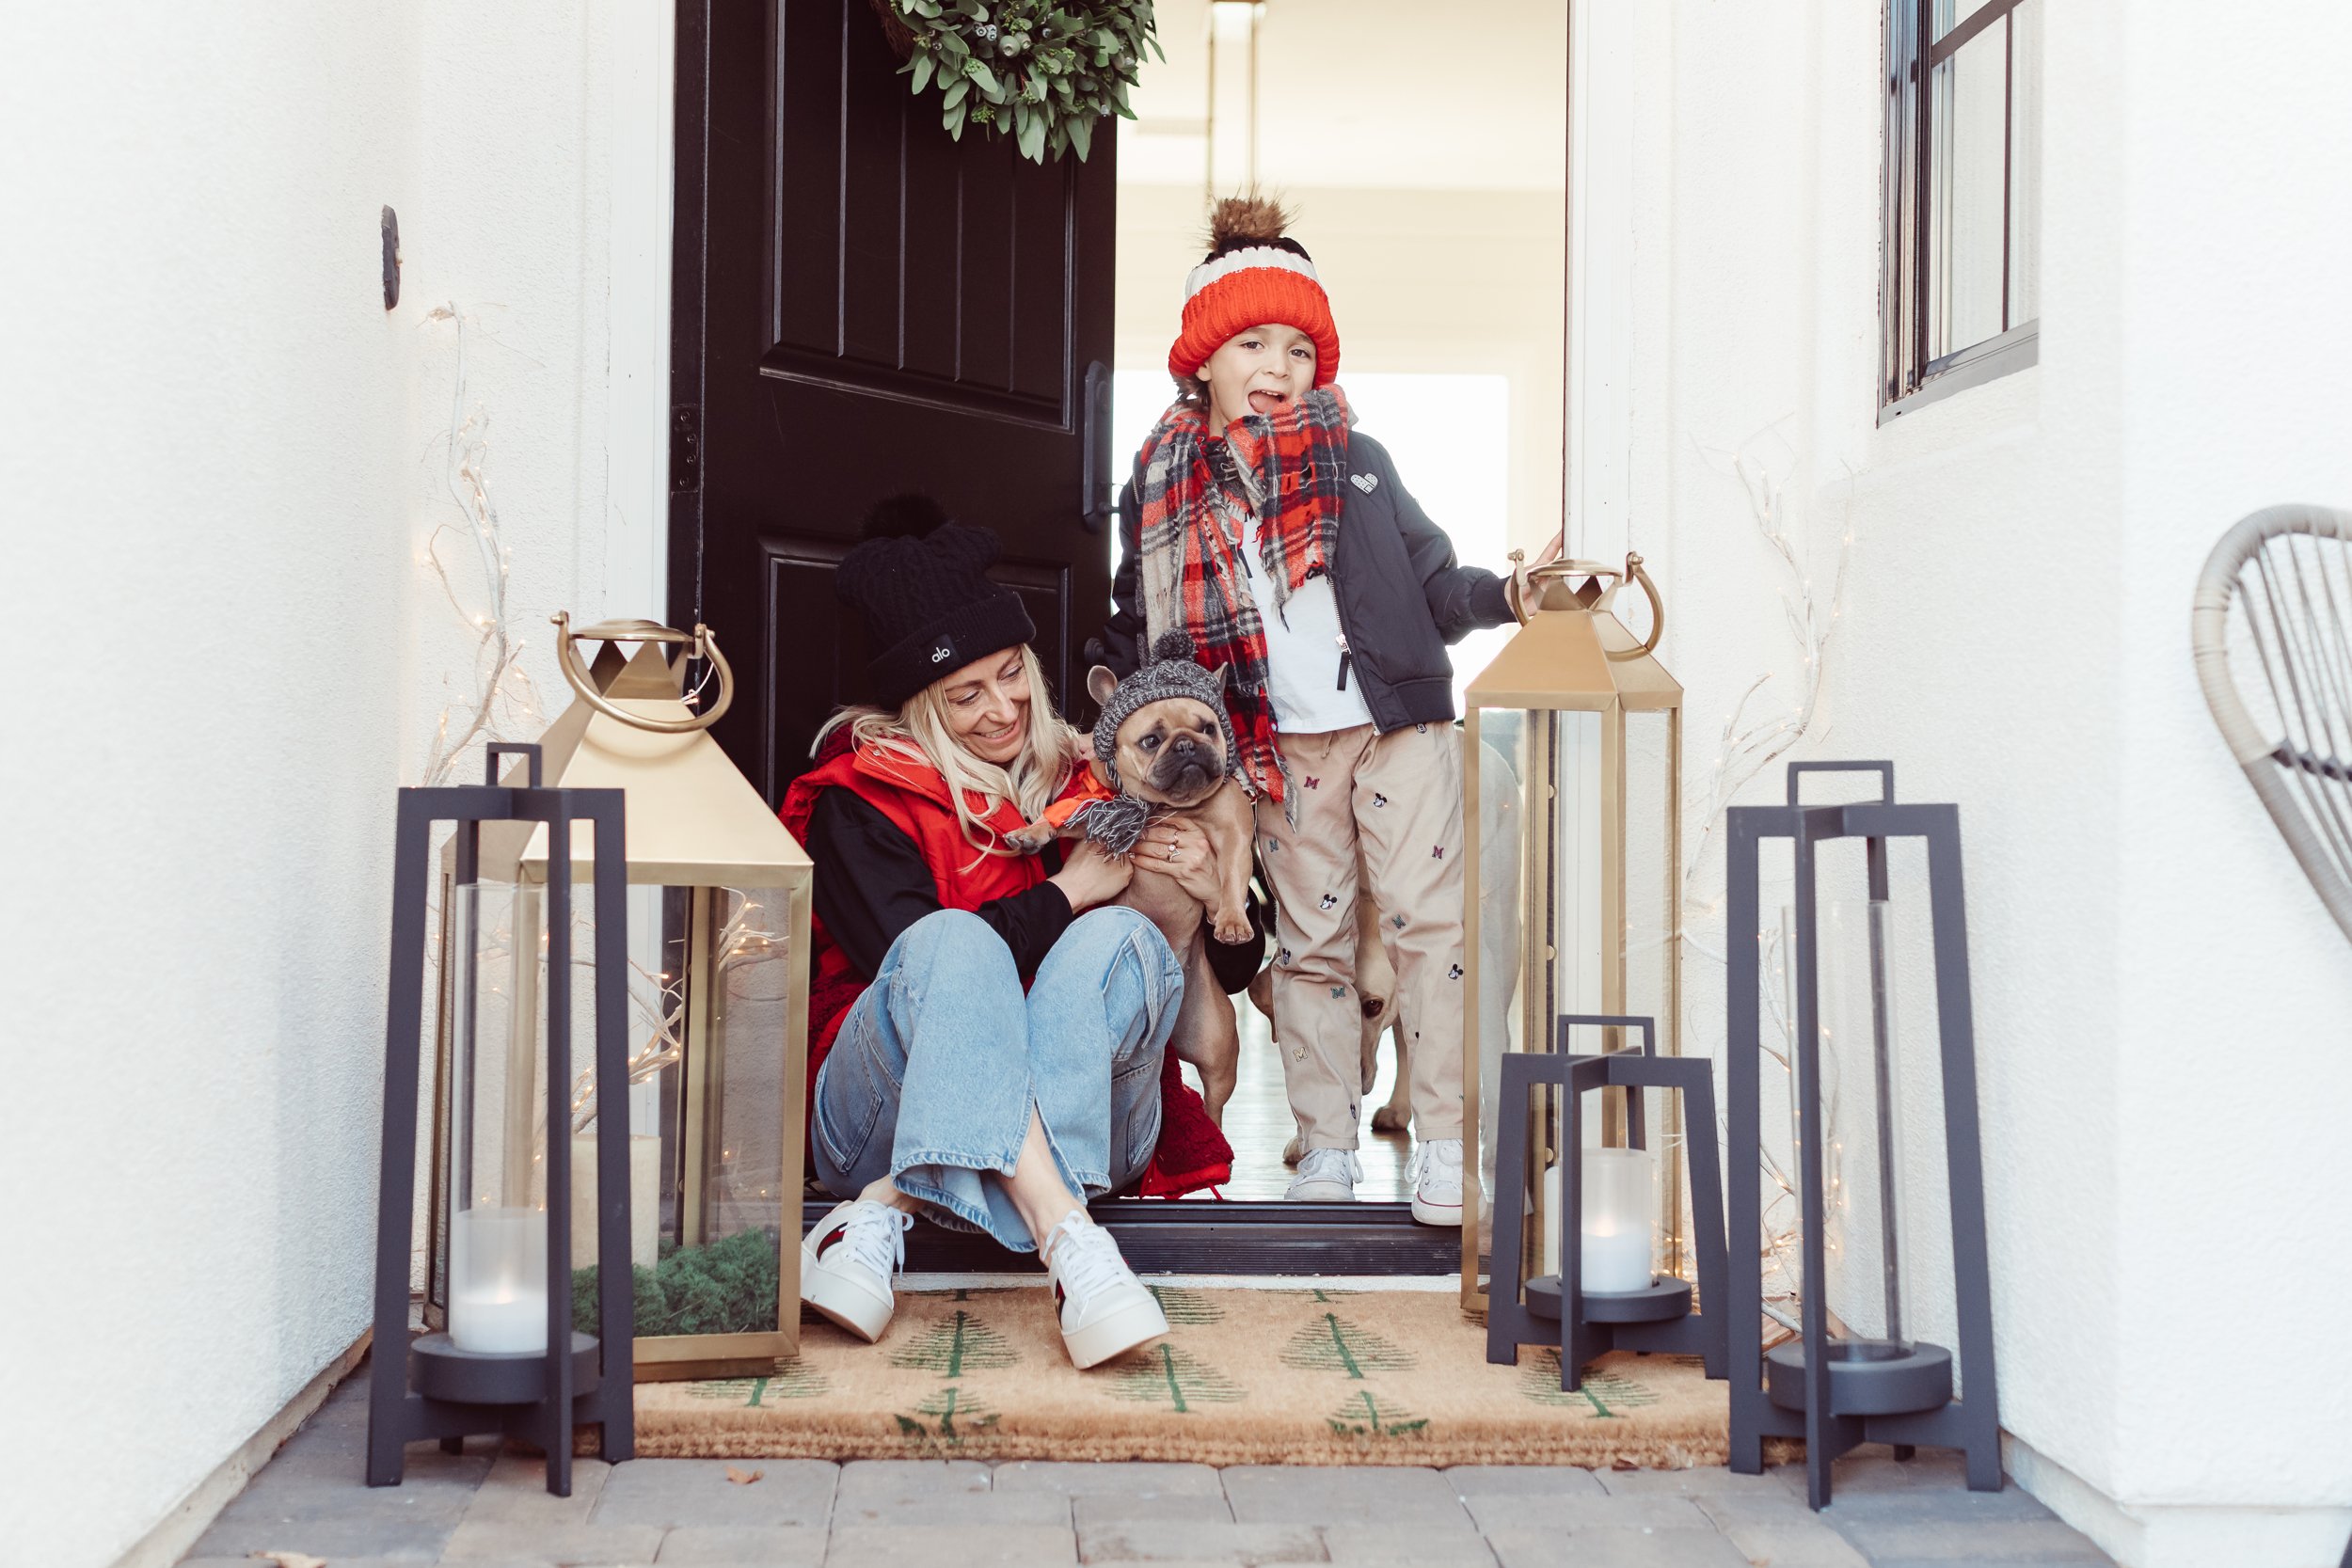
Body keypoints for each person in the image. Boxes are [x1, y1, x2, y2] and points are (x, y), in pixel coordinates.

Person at [1100, 196, 1559, 1226]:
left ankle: (1444, 1140)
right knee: (1306, 946)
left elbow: (1436, 579)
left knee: (1426, 926)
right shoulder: (1162, 483)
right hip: (1274, 750)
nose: (1277, 365)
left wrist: (1507, 597)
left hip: (1395, 725)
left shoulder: (1356, 461)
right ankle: (1325, 1146)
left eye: (1299, 348)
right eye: (1252, 341)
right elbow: (1139, 619)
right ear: (1203, 358)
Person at [779, 499, 1249, 1370]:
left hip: (1087, 1100)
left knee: (1128, 944)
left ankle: (889, 1209)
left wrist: (1200, 886)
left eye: (1011, 674)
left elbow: (1237, 961)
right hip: (878, 1110)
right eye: (964, 694)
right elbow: (920, 982)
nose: (1001, 709)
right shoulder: (855, 800)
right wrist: (1068, 891)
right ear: (919, 703)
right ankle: (1067, 1234)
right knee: (954, 944)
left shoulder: (1097, 771)